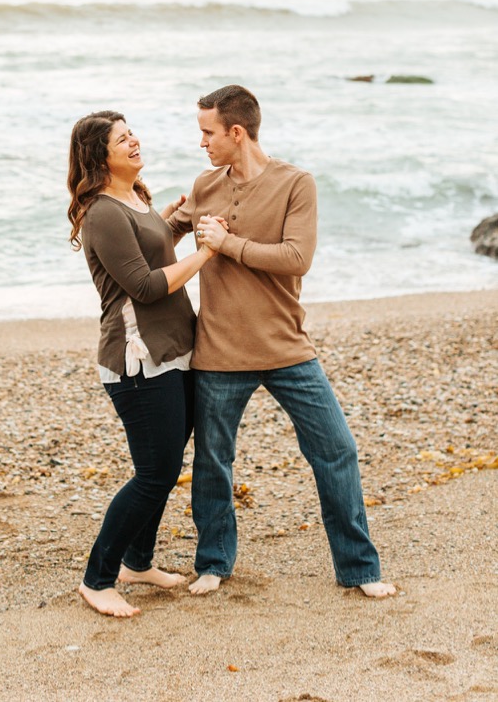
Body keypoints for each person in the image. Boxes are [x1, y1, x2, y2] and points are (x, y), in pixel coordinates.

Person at [165, 84, 396, 598]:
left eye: (207, 132)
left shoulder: (296, 183)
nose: (201, 142)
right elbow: (164, 238)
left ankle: (359, 569)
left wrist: (229, 244)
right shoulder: (205, 184)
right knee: (212, 464)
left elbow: (297, 258)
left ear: (237, 132)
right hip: (219, 352)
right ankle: (214, 562)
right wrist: (152, 214)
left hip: (288, 348)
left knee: (337, 451)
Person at [67, 111, 217, 617]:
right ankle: (98, 578)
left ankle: (138, 560)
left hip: (173, 351)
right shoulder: (103, 212)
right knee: (155, 472)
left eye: (132, 133)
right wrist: (207, 255)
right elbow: (147, 286)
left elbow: (151, 254)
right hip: (137, 360)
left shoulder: (137, 199)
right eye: (121, 138)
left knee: (163, 466)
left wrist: (172, 221)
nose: (134, 141)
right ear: (98, 155)